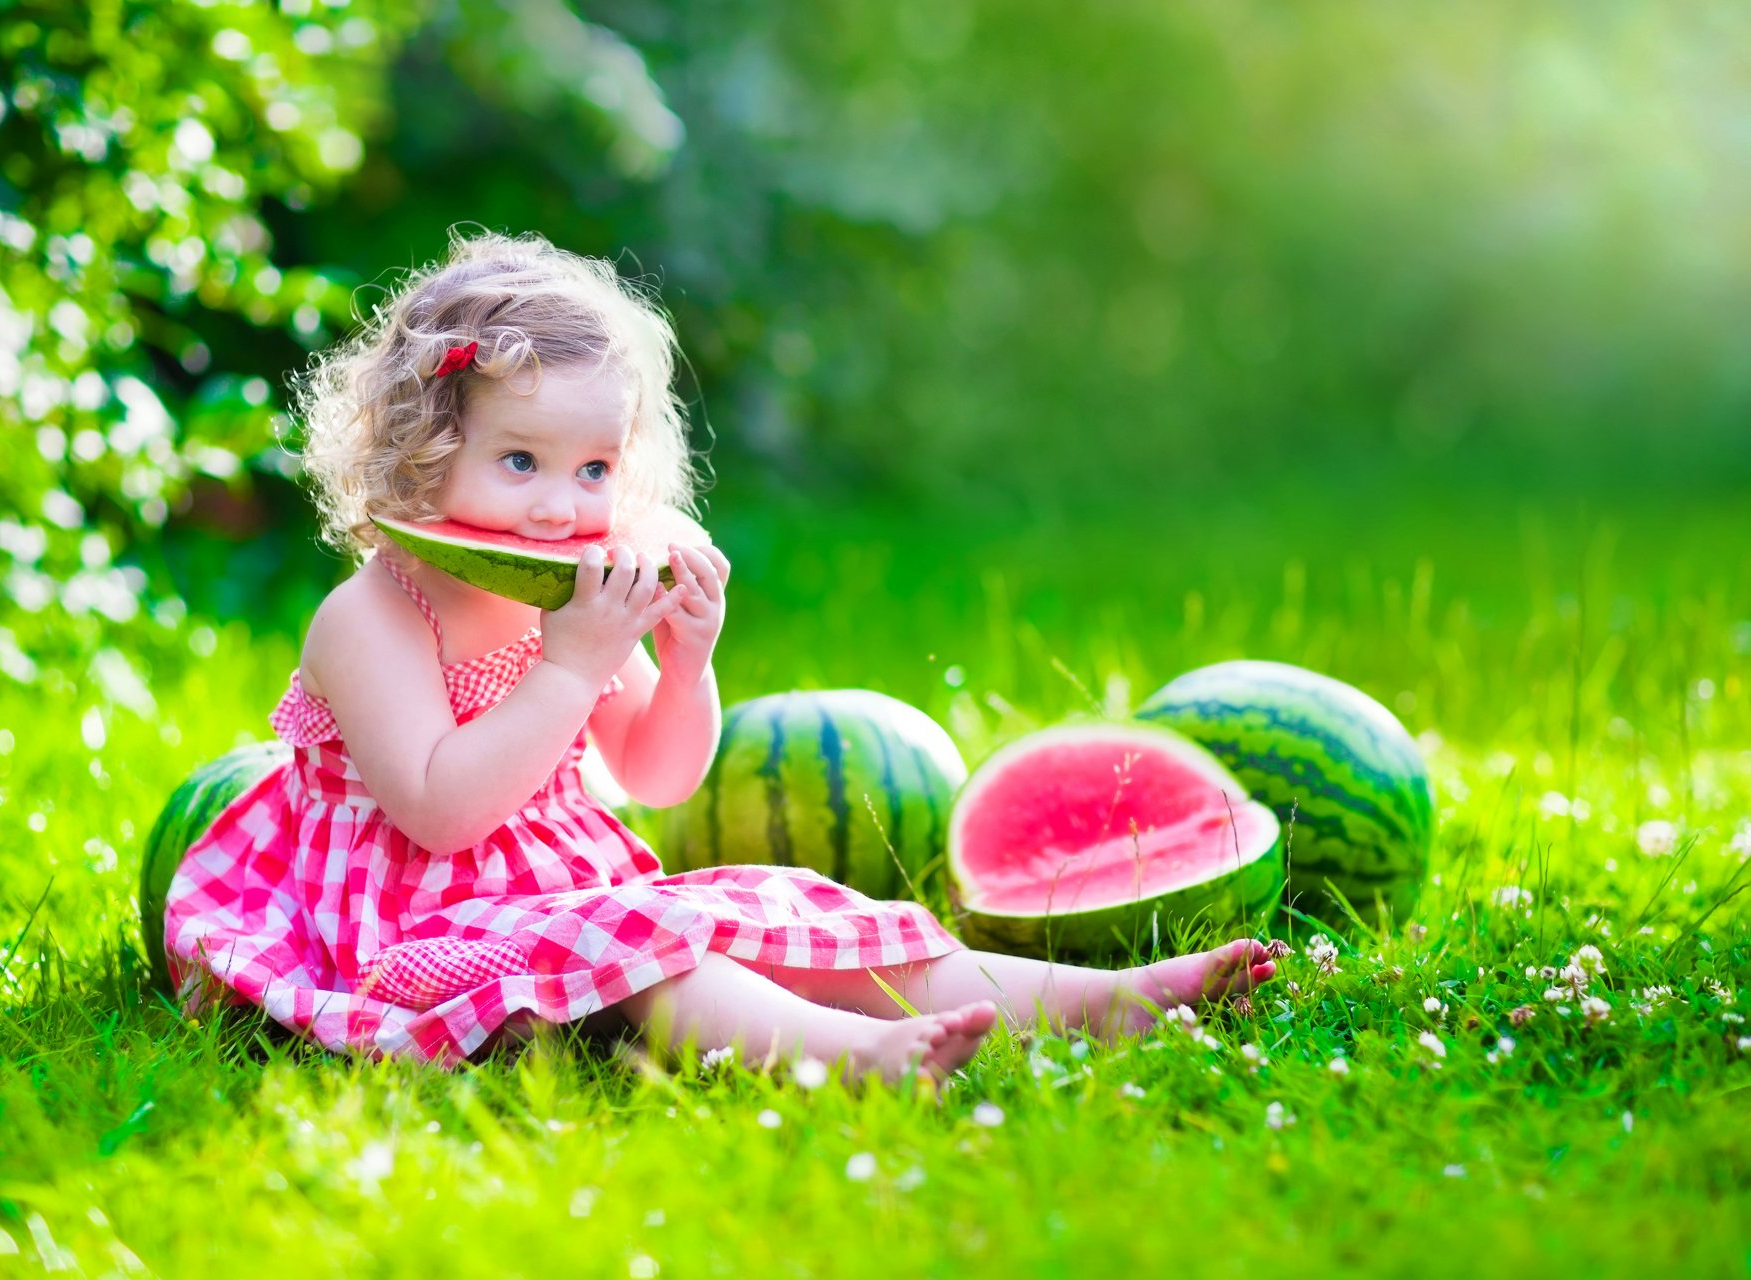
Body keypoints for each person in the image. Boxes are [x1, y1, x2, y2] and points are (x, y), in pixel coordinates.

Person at [162, 229, 1278, 1086]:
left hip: (572, 900)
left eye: (594, 468)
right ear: (424, 448)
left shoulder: (577, 593)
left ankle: (1108, 996)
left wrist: (684, 661)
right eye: (519, 461)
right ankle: (855, 1059)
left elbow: (658, 776)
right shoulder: (373, 616)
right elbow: (439, 812)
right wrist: (565, 668)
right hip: (404, 937)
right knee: (663, 963)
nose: (562, 507)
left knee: (792, 908)